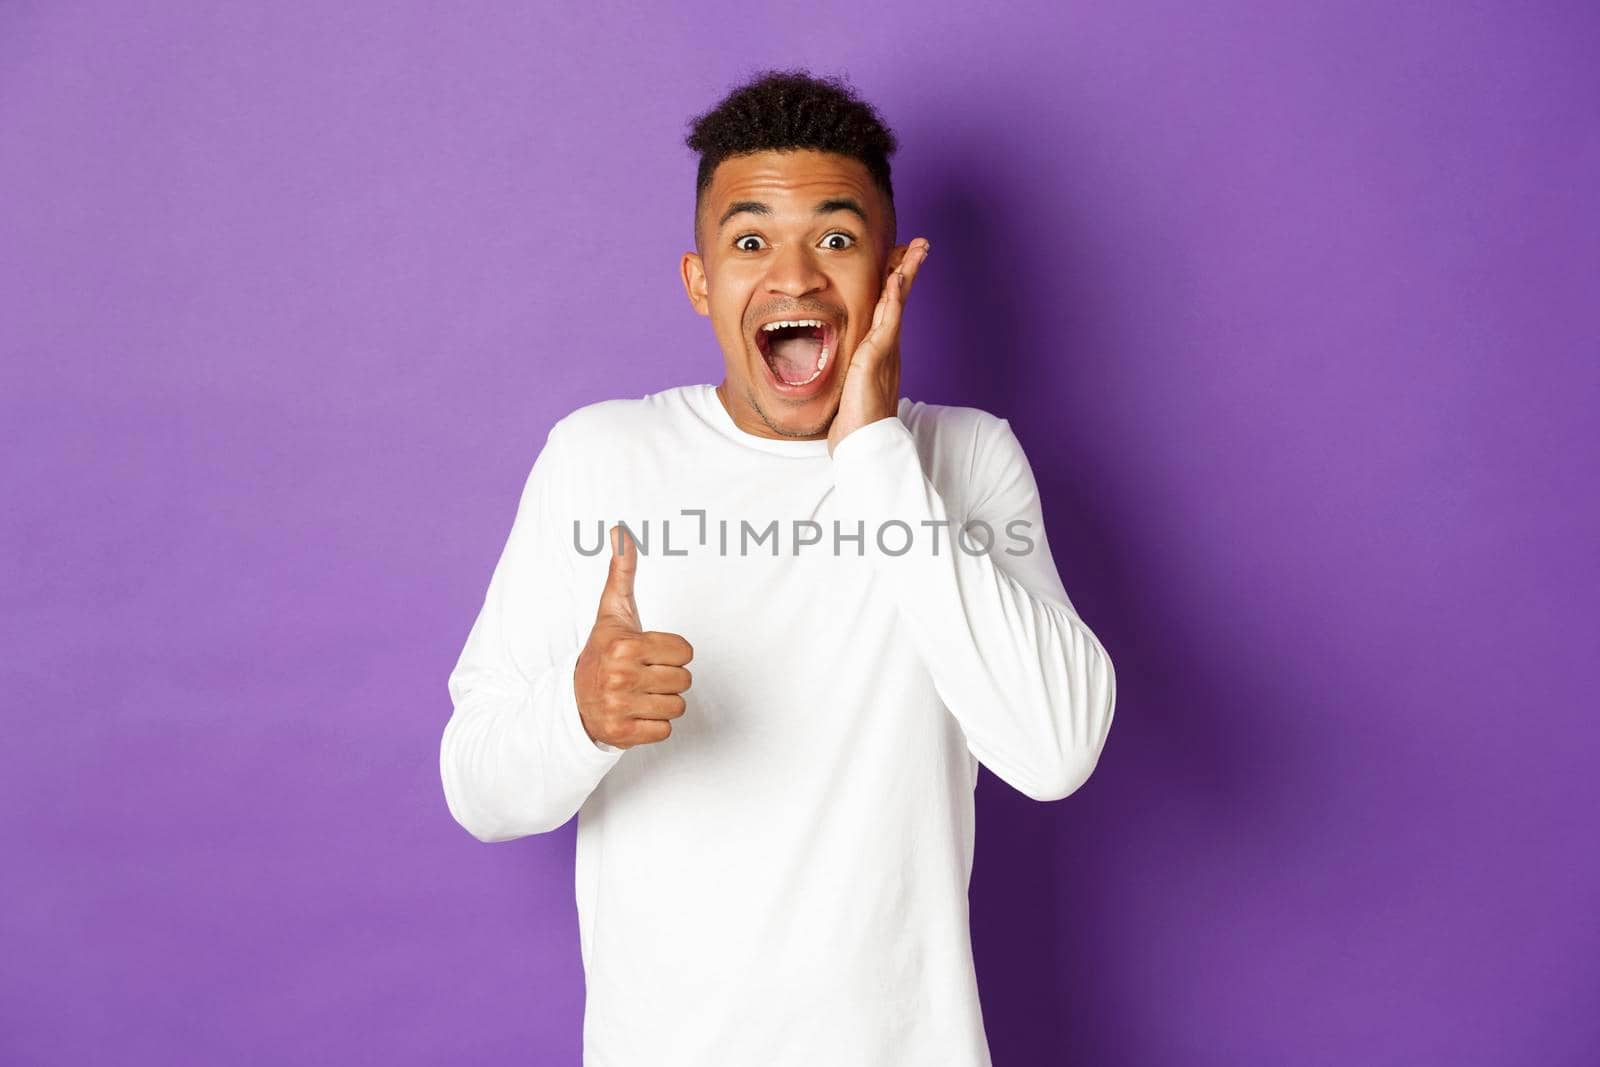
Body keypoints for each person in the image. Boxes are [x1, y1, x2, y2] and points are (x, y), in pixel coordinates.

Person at [439, 67, 1117, 1067]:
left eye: (835, 238)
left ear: (891, 272)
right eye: (750, 240)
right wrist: (577, 712)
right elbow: (475, 785)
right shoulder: (600, 456)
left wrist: (877, 454)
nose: (794, 277)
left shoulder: (965, 459)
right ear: (700, 280)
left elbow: (1055, 748)